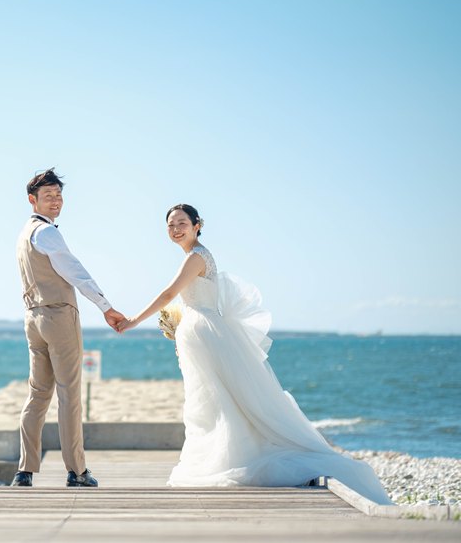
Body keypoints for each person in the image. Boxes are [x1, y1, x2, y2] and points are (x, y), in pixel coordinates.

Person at [113, 204, 391, 504]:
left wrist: (132, 321)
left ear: (197, 225)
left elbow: (169, 294)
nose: (175, 229)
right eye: (170, 225)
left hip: (204, 332)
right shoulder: (195, 256)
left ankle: (230, 459)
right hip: (200, 331)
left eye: (181, 222)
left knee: (217, 398)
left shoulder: (195, 257)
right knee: (211, 399)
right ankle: (218, 457)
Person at [12, 168, 126, 488]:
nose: (56, 201)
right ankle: (77, 471)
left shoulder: (23, 234)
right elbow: (76, 272)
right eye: (48, 196)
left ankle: (25, 471)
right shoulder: (47, 233)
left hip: (32, 317)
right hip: (59, 316)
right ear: (32, 199)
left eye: (59, 195)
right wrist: (106, 306)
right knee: (69, 395)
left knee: (37, 395)